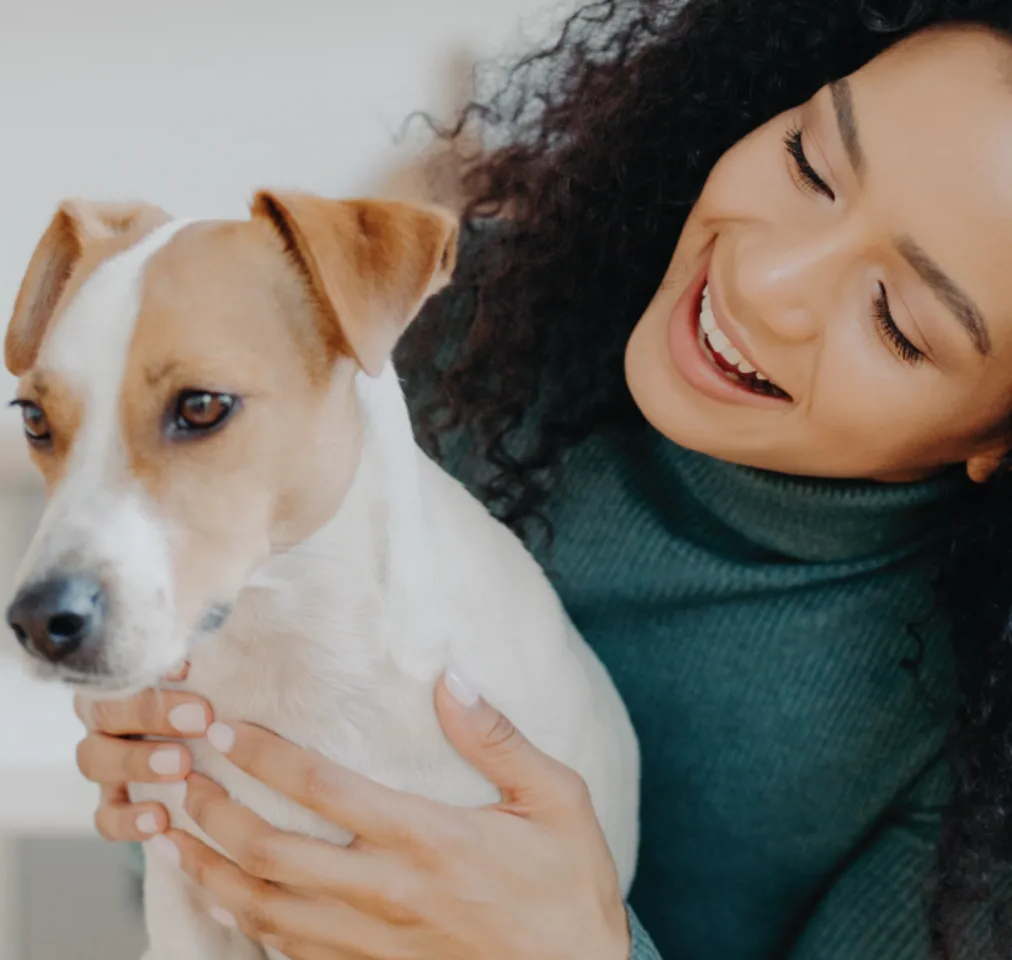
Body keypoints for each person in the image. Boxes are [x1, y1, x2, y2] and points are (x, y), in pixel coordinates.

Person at [69, 2, 1012, 957]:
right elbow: (201, 876)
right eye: (810, 164)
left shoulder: (974, 759)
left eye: (896, 318)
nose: (768, 279)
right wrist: (169, 777)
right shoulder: (447, 331)